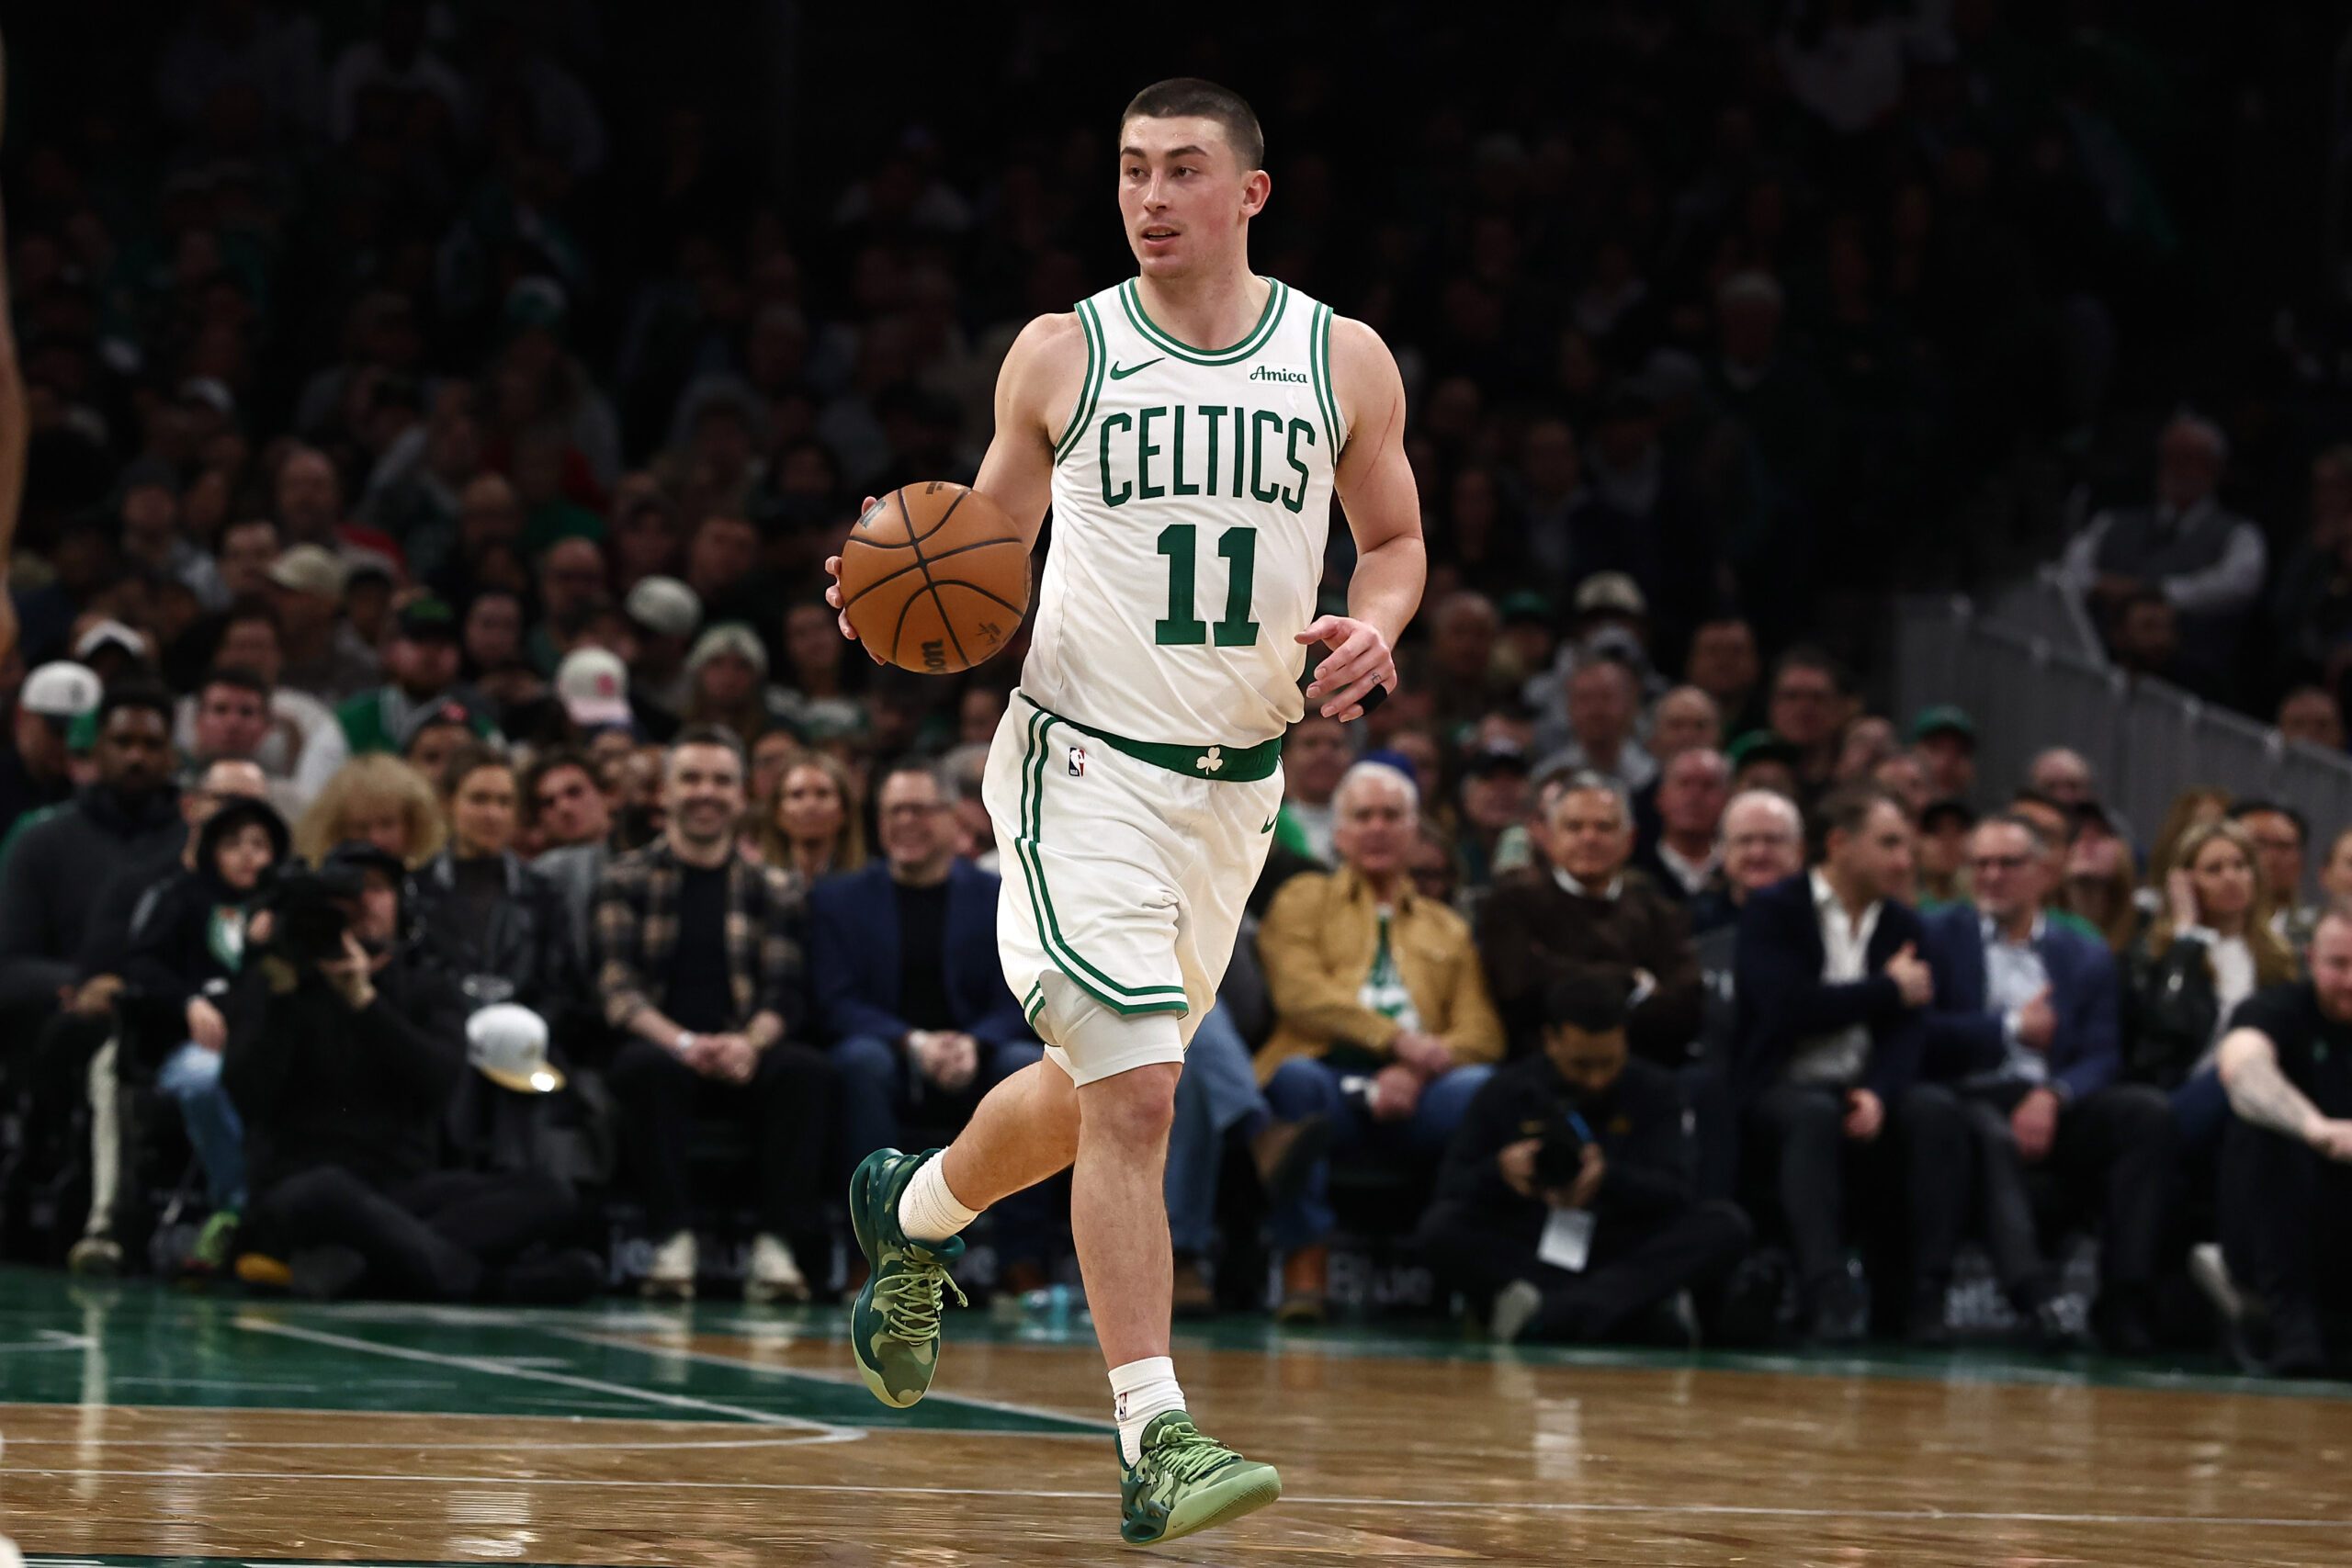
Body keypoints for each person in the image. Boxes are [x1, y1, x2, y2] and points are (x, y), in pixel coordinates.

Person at [820, 78, 1423, 1543]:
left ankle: (910, 1210)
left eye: (1182, 171)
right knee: (1143, 1088)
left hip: (1237, 789)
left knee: (1099, 1094)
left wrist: (1376, 622)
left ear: (1250, 194)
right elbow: (983, 543)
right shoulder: (1062, 349)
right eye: (1132, 172)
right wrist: (894, 586)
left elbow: (1393, 539)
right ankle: (1157, 1430)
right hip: (1078, 763)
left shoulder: (1340, 359)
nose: (1151, 197)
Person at [223, 841, 598, 1304]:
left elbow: (437, 1083)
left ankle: (365, 1270)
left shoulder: (428, 986)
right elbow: (246, 1094)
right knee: (328, 1191)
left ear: (403, 905)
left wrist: (364, 1001)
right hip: (303, 1191)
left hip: (401, 1191)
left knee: (548, 1192)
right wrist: (284, 986)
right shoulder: (281, 981)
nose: (363, 901)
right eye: (347, 891)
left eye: (377, 889)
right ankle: (482, 1285)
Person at [1253, 762, 1504, 1322]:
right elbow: (1300, 994)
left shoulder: (1448, 927)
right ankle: (1305, 1262)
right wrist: (1399, 1042)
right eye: (1363, 816)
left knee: (1482, 1088)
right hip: (1330, 1081)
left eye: (1392, 816)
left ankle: (1464, 1267)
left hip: (1422, 1093)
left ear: (1414, 834)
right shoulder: (1303, 898)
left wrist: (1414, 1069)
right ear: (1339, 833)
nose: (1378, 828)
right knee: (1294, 1080)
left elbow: (1481, 1033)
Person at [593, 728, 835, 1304]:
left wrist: (749, 1044)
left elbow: (784, 993)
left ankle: (777, 1248)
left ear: (743, 793)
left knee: (806, 1072)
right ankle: (672, 1239)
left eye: (722, 780)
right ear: (666, 792)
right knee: (642, 1069)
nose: (707, 792)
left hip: (745, 1055)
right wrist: (682, 1043)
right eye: (692, 778)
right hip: (664, 1048)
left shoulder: (774, 887)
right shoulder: (623, 878)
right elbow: (618, 991)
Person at [1920, 816, 2173, 1353]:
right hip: (1964, 1093)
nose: (1991, 876)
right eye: (1980, 864)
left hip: (2049, 1096)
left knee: (2146, 1113)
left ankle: (2124, 1300)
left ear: (2042, 873)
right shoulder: (1937, 936)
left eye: (2007, 864)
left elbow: (2104, 1054)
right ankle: (2033, 1295)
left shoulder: (2083, 953)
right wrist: (2009, 1028)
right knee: (1987, 1131)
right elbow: (1920, 1034)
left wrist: (2053, 1095)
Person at [1732, 784, 1966, 1343]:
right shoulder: (1774, 910)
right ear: (1839, 844)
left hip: (1862, 1086)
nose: (1904, 861)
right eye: (1888, 844)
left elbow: (1909, 1030)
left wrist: (1881, 1092)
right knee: (1812, 1115)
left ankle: (1926, 1296)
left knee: (1935, 1111)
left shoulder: (1904, 925)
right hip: (1779, 1085)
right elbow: (1787, 1008)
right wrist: (1886, 989)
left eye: (1907, 847)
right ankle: (1827, 1292)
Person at [1418, 976, 1752, 1343]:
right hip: (1531, 1239)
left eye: (1609, 1063)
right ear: (1551, 1040)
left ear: (1625, 1039)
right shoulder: (1507, 1091)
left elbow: (1677, 1191)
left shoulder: (1656, 1091)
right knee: (1440, 1228)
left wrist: (1609, 1177)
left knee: (1725, 1224)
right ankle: (1622, 1313)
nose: (1596, 1079)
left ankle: (1550, 1314)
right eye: (1581, 1065)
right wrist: (1500, 1172)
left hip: (1618, 1242)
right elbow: (1450, 1188)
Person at [811, 760, 1043, 1179]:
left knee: (1023, 1063)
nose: (905, 821)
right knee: (861, 1059)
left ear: (953, 819)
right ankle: (874, 1231)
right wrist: (915, 1043)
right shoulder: (839, 900)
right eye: (893, 811)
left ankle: (1023, 1244)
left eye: (919, 809)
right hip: (888, 1054)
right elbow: (836, 1001)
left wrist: (975, 1043)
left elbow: (1021, 996)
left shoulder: (999, 896)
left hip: (976, 1056)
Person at [116, 796, 291, 1270]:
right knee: (205, 1078)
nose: (248, 855)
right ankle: (236, 1205)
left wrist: (264, 947)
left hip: (272, 1050)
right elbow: (143, 967)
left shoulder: (289, 913)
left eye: (259, 844)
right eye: (234, 844)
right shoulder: (182, 898)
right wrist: (188, 1000)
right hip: (191, 1048)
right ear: (212, 849)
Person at [2211, 907, 2352, 1374]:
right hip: (2280, 1226)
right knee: (2263, 1126)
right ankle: (2294, 1333)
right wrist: (2316, 1129)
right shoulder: (2274, 1009)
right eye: (2339, 965)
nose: (2350, 981)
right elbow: (2242, 1067)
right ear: (2311, 959)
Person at [1478, 772, 1702, 1065]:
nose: (1589, 838)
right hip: (1542, 1065)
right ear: (1547, 836)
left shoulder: (1657, 908)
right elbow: (1518, 988)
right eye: (1574, 827)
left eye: (1604, 827)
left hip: (1646, 1063)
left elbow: (1685, 1005)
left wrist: (1561, 977)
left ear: (1630, 839)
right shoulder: (1512, 903)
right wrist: (1631, 981)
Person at [2057, 414, 2266, 698]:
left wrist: (2154, 592)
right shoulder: (2111, 522)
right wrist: (2098, 585)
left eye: (2190, 458)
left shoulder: (2240, 535)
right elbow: (2066, 575)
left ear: (2215, 468)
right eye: (2170, 457)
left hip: (2190, 686)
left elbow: (2235, 586)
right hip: (2095, 671)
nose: (2177, 467)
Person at [2123, 819, 2299, 1151]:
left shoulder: (2279, 956)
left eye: (2240, 865)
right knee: (2237, 1073)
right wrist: (2187, 935)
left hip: (2258, 1104)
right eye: (2214, 869)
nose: (2230, 877)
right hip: (2179, 1099)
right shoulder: (2161, 953)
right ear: (2187, 882)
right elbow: (2165, 1030)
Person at [294, 754, 447, 869]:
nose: (375, 839)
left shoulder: (436, 890)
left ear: (412, 824)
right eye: (361, 828)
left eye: (387, 824)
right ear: (337, 830)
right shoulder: (318, 898)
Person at [1634, 747, 1730, 904]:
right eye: (1684, 784)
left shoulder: (1737, 875)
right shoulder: (1635, 871)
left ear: (1727, 799)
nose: (1695, 796)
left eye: (1708, 785)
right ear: (1660, 797)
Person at [756, 752, 867, 886]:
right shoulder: (757, 884)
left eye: (822, 793)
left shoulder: (869, 883)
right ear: (777, 812)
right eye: (797, 795)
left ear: (845, 811)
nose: (810, 806)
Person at [2229, 800, 2313, 949]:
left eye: (2284, 846)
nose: (2270, 858)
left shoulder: (2317, 934)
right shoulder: (2190, 931)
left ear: (2301, 862)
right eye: (2258, 844)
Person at [1273, 715, 1350, 864]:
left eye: (1335, 745)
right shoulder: (1268, 826)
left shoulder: (1371, 821)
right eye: (1310, 744)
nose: (1324, 754)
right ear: (1286, 757)